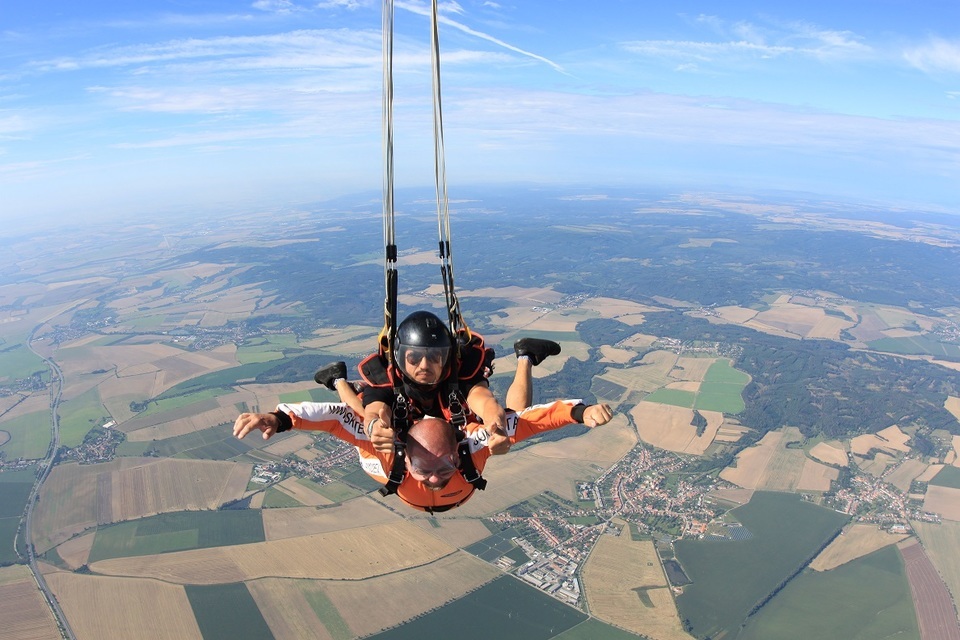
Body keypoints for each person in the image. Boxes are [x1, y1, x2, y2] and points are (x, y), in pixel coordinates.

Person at [233, 398, 613, 513]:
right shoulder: (388, 449)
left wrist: (580, 412)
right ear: (405, 454)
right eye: (425, 467)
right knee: (367, 421)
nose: (434, 476)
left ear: (457, 448)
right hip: (384, 472)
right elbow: (337, 418)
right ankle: (338, 379)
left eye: (445, 463)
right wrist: (282, 418)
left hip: (404, 477)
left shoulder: (473, 443)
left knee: (504, 416)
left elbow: (532, 419)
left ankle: (525, 357)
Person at [316, 310, 561, 456]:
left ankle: (525, 355)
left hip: (445, 400)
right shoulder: (387, 379)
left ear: (446, 358)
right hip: (403, 402)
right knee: (359, 415)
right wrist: (374, 428)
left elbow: (485, 402)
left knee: (512, 423)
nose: (424, 365)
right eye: (414, 357)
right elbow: (374, 411)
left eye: (434, 357)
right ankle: (338, 379)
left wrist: (495, 426)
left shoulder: (459, 374)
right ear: (400, 357)